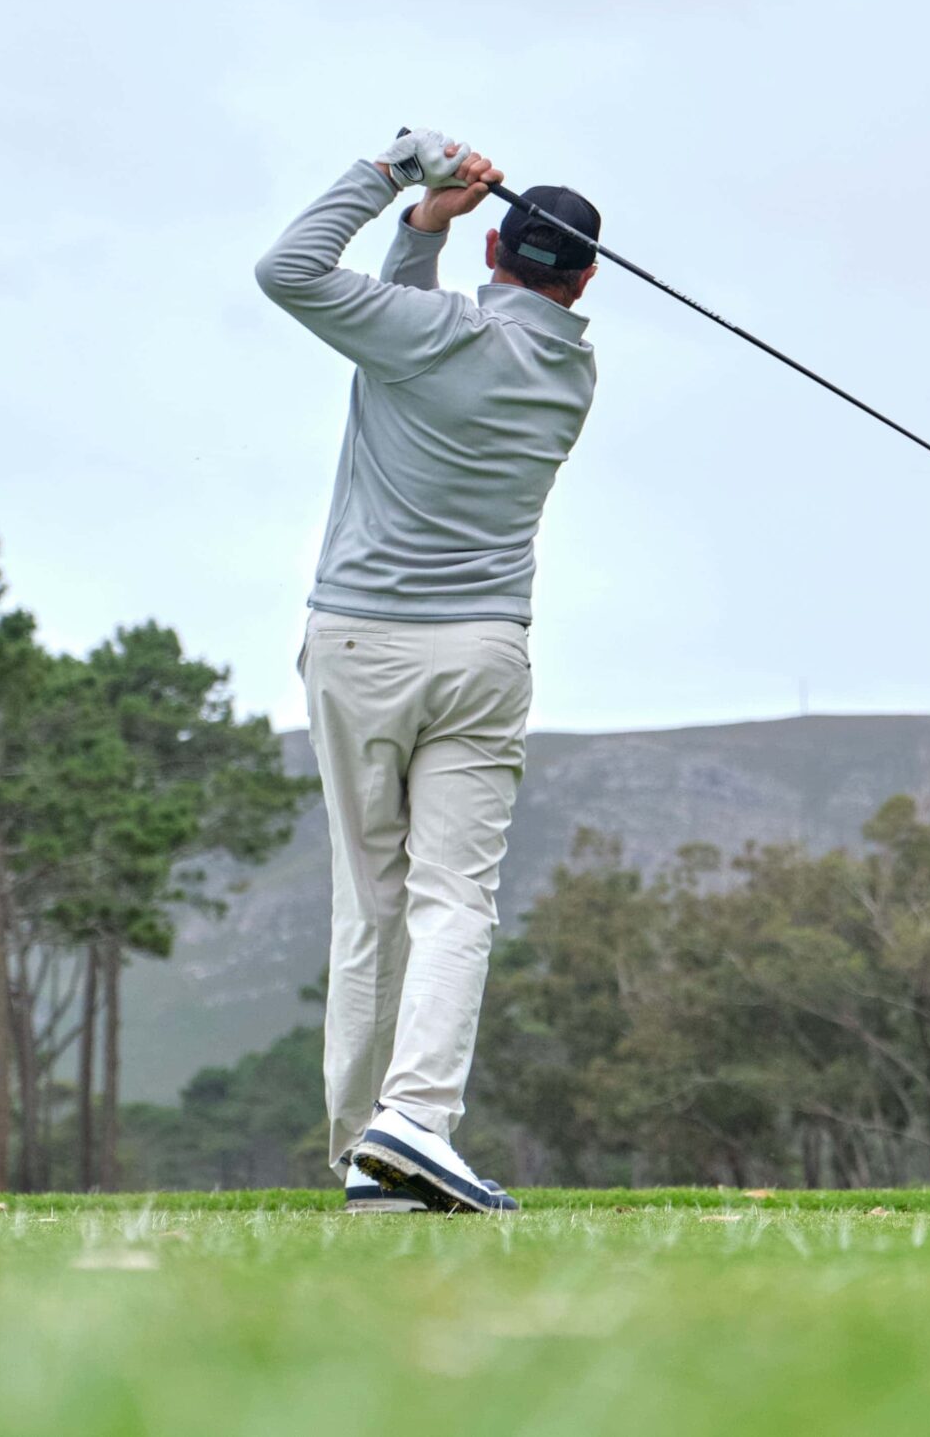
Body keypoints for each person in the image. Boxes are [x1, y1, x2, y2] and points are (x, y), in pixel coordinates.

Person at [253, 129, 603, 1213]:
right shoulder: (571, 372)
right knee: (456, 897)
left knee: (372, 904)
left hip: (359, 645)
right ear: (584, 280)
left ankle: (372, 1143)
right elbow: (403, 340)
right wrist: (421, 235)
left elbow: (288, 272)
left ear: (495, 249)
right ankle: (409, 1128)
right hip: (482, 654)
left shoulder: (434, 331)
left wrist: (394, 174)